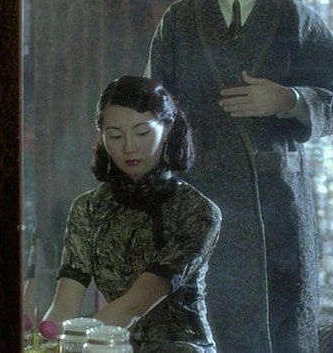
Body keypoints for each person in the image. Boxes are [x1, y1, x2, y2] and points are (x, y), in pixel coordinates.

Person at [147, 0, 333, 351]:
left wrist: (290, 100)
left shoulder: (292, 17)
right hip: (203, 202)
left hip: (277, 207)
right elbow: (153, 110)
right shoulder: (179, 22)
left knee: (283, 327)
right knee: (204, 325)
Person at [40, 76, 222, 353]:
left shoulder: (197, 210)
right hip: (109, 347)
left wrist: (75, 343)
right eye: (115, 136)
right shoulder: (88, 208)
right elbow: (64, 305)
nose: (128, 147)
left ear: (167, 129)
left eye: (142, 133)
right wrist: (45, 342)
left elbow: (135, 305)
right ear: (102, 137)